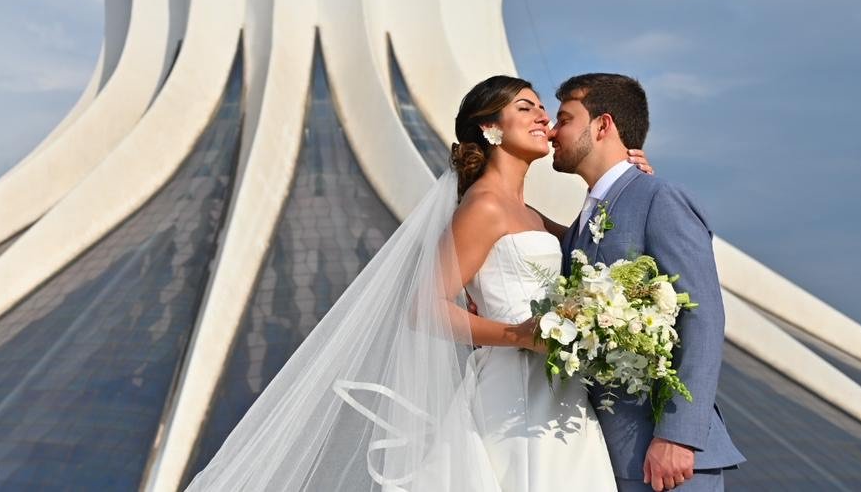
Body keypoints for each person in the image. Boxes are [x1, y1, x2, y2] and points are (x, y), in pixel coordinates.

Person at [188, 75, 649, 491]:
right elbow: (424, 307)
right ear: (490, 130)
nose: (542, 116)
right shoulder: (483, 206)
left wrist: (626, 180)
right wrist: (519, 335)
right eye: (525, 107)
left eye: (542, 109)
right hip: (515, 390)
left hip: (556, 389)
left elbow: (591, 250)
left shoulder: (527, 213)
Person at [549, 74, 744, 491]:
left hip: (665, 462)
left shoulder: (659, 198)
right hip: (601, 456)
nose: (551, 131)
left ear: (603, 126)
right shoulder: (585, 219)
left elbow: (703, 317)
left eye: (564, 119)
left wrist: (678, 434)